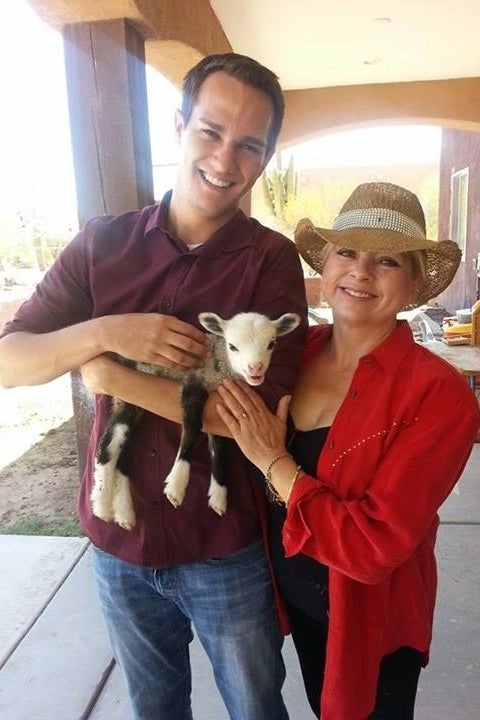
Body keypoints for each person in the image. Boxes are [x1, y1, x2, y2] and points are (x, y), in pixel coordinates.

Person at [0, 53, 308, 719]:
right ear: (178, 126)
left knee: (256, 707)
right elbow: (11, 361)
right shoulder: (102, 245)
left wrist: (113, 380)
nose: (225, 161)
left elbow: (253, 420)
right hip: (119, 540)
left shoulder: (269, 262)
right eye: (210, 131)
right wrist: (106, 333)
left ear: (266, 157)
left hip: (222, 544)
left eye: (249, 146)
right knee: (154, 708)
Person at [215, 181, 480, 720]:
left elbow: (374, 545)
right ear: (326, 267)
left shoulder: (438, 394)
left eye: (386, 261)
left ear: (411, 286)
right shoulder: (293, 355)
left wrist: (275, 463)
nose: (360, 272)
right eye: (347, 253)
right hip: (299, 603)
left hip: (371, 622)